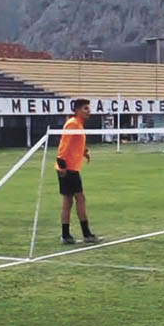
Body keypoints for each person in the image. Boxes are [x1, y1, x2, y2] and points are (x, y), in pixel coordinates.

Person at [57, 99, 100, 244]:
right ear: (77, 110)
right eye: (85, 108)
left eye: (89, 108)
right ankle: (86, 234)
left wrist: (84, 152)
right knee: (79, 199)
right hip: (68, 168)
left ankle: (66, 235)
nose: (89, 111)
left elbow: (77, 143)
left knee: (68, 200)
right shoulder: (73, 124)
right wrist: (62, 164)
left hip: (72, 167)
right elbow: (64, 145)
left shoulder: (79, 125)